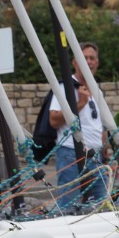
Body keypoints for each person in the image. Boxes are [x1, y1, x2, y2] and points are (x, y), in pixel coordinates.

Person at [48, 42, 110, 207]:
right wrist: (80, 103)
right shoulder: (65, 87)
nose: (89, 62)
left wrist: (105, 152)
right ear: (75, 63)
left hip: (96, 156)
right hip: (71, 154)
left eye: (92, 58)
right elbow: (53, 120)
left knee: (101, 204)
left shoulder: (96, 90)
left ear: (97, 62)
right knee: (69, 205)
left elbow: (99, 124)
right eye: (84, 58)